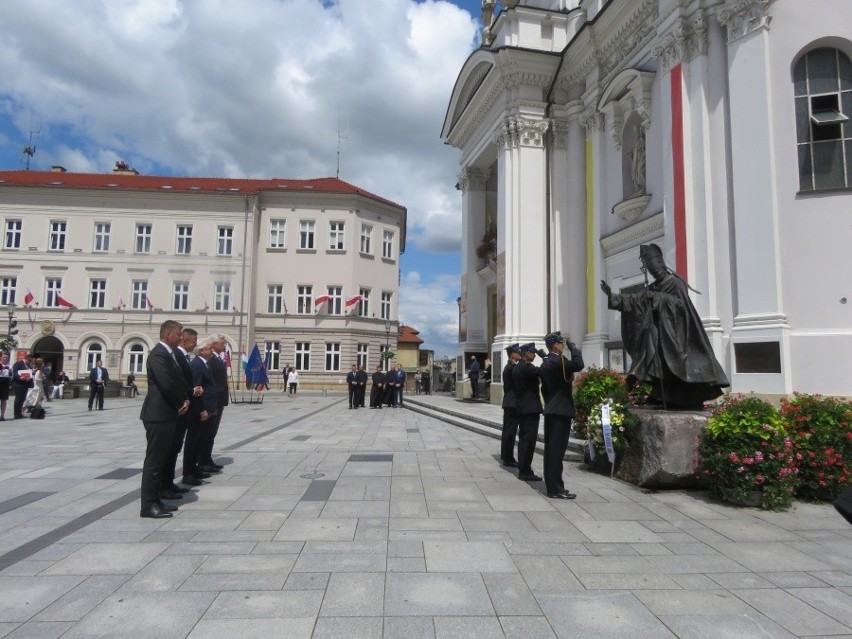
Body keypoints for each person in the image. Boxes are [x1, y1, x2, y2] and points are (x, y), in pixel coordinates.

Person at [601, 243, 729, 408]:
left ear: (661, 265)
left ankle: (680, 396)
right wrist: (613, 296)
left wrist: (659, 299)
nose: (654, 272)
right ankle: (662, 395)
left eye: (656, 268)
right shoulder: (652, 287)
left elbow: (682, 306)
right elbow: (634, 300)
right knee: (653, 354)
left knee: (665, 358)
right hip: (659, 335)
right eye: (651, 269)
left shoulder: (675, 283)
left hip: (675, 335)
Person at [139, 319, 189, 519]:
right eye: (178, 334)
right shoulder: (159, 355)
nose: (180, 337)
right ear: (168, 335)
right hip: (158, 414)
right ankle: (148, 505)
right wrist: (180, 403)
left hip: (166, 413)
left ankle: (157, 498)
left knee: (161, 460)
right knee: (154, 461)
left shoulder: (169, 354)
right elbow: (166, 383)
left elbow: (176, 381)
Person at [539, 331, 585, 499]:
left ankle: (554, 486)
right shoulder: (558, 362)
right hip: (560, 411)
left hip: (552, 409)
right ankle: (556, 489)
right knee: (556, 452)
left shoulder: (546, 363)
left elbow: (544, 389)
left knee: (552, 451)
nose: (563, 345)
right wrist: (575, 349)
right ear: (555, 345)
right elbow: (579, 365)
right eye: (562, 343)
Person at [163, 328, 203, 498]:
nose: (195, 344)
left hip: (186, 405)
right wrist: (190, 392)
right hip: (179, 408)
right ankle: (165, 485)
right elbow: (174, 382)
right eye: (193, 341)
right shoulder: (177, 356)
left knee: (176, 447)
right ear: (185, 341)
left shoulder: (183, 356)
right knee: (171, 448)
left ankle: (169, 483)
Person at [183, 336, 218, 486]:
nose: (212, 351)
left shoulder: (204, 364)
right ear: (202, 351)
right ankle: (188, 473)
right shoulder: (197, 365)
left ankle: (194, 469)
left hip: (207, 407)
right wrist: (202, 410)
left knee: (199, 440)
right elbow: (197, 389)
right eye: (209, 348)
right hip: (199, 410)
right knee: (193, 442)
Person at [512, 343, 543, 482]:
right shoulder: (526, 367)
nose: (534, 355)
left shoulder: (518, 367)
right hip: (530, 409)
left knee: (525, 440)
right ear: (527, 354)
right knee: (528, 441)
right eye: (533, 352)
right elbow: (543, 371)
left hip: (523, 407)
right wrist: (546, 357)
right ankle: (525, 470)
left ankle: (524, 468)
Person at [198, 334, 228, 473]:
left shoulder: (217, 358)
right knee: (208, 432)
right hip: (212, 400)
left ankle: (207, 459)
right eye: (222, 342)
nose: (225, 344)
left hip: (218, 400)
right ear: (215, 344)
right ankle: (203, 460)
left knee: (212, 432)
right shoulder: (210, 360)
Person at [500, 343, 521, 467]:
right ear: (513, 354)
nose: (520, 355)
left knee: (508, 431)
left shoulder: (510, 366)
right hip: (512, 403)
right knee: (510, 431)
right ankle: (508, 458)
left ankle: (506, 455)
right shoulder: (511, 367)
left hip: (510, 402)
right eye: (518, 353)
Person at [11, 353, 34, 419]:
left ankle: (19, 413)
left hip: (25, 384)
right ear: (26, 358)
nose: (30, 362)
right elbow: (15, 373)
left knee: (23, 399)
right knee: (18, 399)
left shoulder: (29, 365)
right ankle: (16, 414)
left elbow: (29, 373)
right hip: (18, 384)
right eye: (29, 361)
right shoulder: (18, 363)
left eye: (31, 361)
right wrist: (20, 377)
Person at [0, 352, 11, 420]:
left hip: (5, 381)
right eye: (4, 357)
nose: (5, 358)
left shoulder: (9, 365)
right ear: (0, 357)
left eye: (6, 357)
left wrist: (10, 371)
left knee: (4, 399)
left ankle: (2, 415)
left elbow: (10, 374)